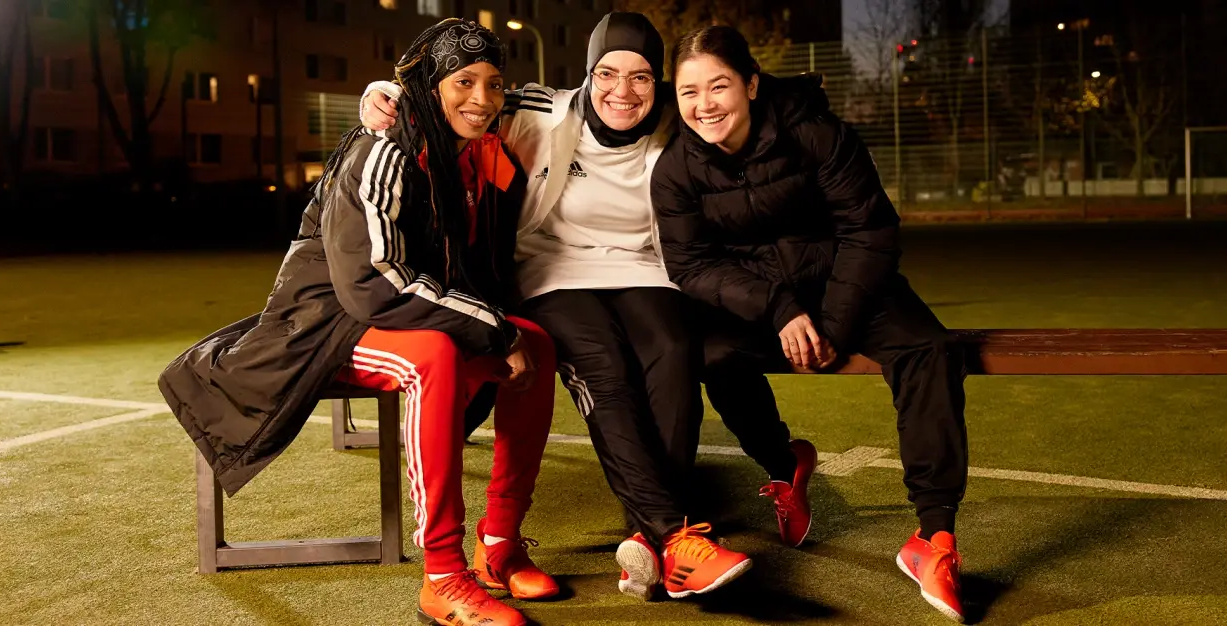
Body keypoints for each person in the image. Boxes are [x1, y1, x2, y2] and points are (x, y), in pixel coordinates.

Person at [358, 12, 812, 601]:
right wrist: (380, 95)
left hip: (647, 267)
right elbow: (449, 93)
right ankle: (675, 535)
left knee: (674, 352)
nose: (623, 91)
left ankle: (648, 540)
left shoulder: (681, 123)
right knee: (603, 363)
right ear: (587, 74)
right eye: (607, 73)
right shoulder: (538, 110)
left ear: (661, 84)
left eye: (642, 77)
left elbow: (761, 104)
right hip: (553, 268)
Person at [159, 19, 557, 626]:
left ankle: (498, 542)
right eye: (464, 82)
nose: (483, 98)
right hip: (326, 324)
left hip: (390, 313)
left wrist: (504, 329)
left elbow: (574, 96)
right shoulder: (383, 150)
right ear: (428, 85)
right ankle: (444, 575)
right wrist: (491, 329)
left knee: (539, 342)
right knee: (436, 356)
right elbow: (374, 284)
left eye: (494, 84)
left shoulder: (458, 149)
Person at [651, 25, 971, 623]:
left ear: (750, 84)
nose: (704, 105)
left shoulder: (818, 133)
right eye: (689, 92)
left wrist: (836, 324)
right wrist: (777, 307)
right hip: (759, 302)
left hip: (847, 284)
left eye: (718, 86)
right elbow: (692, 266)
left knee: (930, 347)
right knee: (711, 354)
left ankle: (935, 538)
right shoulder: (675, 169)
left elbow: (870, 231)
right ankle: (783, 465)